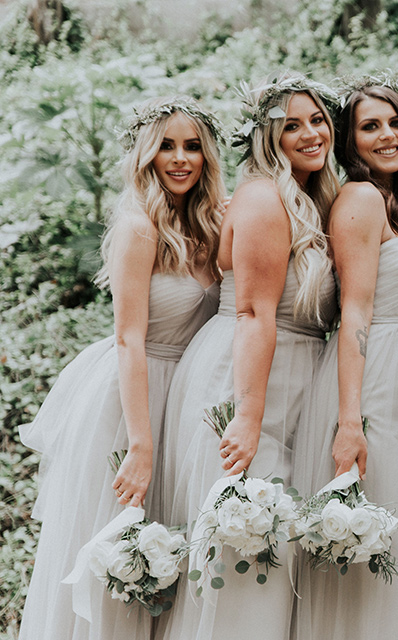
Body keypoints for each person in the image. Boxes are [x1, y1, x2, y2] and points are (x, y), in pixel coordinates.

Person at [18, 96, 225, 640]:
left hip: (186, 397)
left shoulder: (212, 225)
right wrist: (141, 443)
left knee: (167, 555)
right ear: (146, 155)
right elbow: (129, 340)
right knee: (122, 550)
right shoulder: (139, 228)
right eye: (166, 146)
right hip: (133, 397)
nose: (180, 158)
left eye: (192, 146)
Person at [158, 73, 339, 640]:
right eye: (292, 126)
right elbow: (254, 313)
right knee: (247, 539)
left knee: (268, 540)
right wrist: (248, 415)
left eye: (317, 120)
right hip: (251, 377)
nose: (310, 133)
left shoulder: (307, 197)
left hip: (286, 376)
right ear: (269, 137)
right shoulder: (264, 198)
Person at [291, 73, 398, 640]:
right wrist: (349, 422)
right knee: (385, 529)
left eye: (394, 123)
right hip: (376, 377)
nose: (387, 136)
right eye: (369, 127)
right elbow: (353, 313)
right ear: (348, 141)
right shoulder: (358, 198)